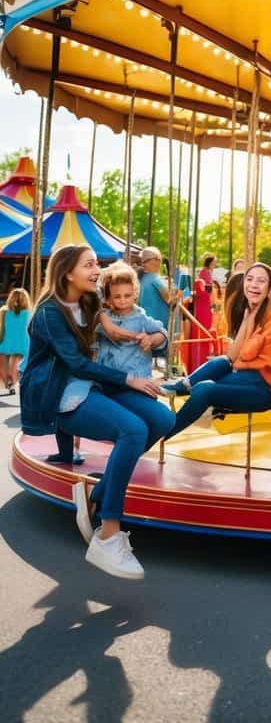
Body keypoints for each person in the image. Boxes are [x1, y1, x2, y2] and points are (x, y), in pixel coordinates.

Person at [19, 244, 174, 580]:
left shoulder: (90, 302)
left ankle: (97, 493)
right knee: (132, 430)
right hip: (62, 393)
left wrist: (156, 335)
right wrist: (129, 379)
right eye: (89, 264)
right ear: (67, 272)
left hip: (94, 383)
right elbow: (75, 364)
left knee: (163, 419)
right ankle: (108, 534)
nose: (96, 269)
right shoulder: (49, 313)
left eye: (96, 264)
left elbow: (134, 320)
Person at [161, 263, 271, 436]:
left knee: (205, 389)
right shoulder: (252, 310)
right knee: (219, 364)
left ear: (270, 287)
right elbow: (232, 356)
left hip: (263, 387)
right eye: (249, 279)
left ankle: (164, 431)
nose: (254, 284)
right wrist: (246, 319)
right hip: (246, 378)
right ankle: (184, 388)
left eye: (261, 281)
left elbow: (247, 354)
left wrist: (249, 321)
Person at [97, 262, 168, 378]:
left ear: (135, 294)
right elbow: (113, 333)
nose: (123, 300)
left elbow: (163, 333)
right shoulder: (105, 317)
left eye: (127, 295)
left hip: (138, 375)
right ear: (108, 297)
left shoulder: (141, 317)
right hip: (110, 377)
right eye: (117, 296)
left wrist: (151, 339)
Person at [0, 286, 31, 394]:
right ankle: (14, 384)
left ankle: (8, 383)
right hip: (23, 342)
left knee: (8, 364)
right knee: (17, 365)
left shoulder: (5, 313)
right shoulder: (29, 314)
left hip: (8, 342)